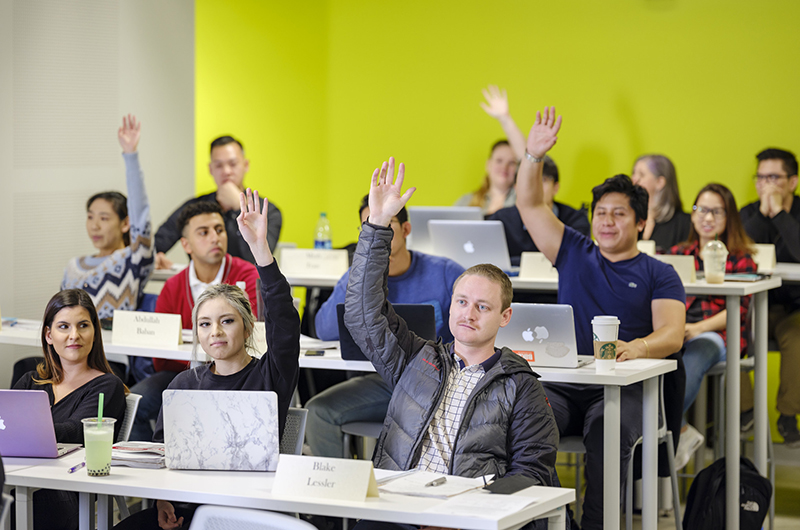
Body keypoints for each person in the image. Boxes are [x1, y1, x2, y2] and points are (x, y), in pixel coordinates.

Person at [347, 158, 561, 530]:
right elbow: (363, 314)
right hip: (397, 508)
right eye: (462, 302)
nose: (469, 313)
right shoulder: (416, 358)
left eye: (483, 306)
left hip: (469, 517)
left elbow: (533, 472)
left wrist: (466, 514)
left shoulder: (520, 385)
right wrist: (377, 226)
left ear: (504, 317)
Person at [515, 107, 685, 530]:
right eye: (601, 212)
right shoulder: (573, 250)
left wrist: (639, 346)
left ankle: (597, 526)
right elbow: (529, 202)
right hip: (565, 382)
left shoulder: (658, 272)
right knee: (525, 424)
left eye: (619, 213)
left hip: (625, 387)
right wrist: (532, 156)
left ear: (642, 223)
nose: (606, 221)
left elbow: (674, 332)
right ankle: (557, 520)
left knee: (606, 434)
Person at [114, 188, 300, 530]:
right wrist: (162, 498)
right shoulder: (184, 384)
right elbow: (163, 452)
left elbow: (285, 324)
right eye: (205, 324)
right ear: (196, 333)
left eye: (227, 321)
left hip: (250, 506)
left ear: (247, 328)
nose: (215, 331)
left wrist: (261, 250)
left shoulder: (271, 375)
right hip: (188, 505)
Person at [305, 194, 464, 458]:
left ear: (407, 229)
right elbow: (324, 329)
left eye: (386, 223)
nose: (379, 232)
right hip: (378, 381)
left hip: (433, 382)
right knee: (319, 412)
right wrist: (360, 275)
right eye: (369, 225)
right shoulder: (357, 276)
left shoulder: (446, 273)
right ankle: (344, 492)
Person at [127, 201, 260, 442]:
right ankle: (154, 469)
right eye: (204, 232)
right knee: (133, 404)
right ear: (185, 244)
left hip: (234, 375)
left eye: (219, 230)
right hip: (181, 376)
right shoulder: (172, 286)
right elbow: (161, 356)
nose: (215, 237)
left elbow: (252, 330)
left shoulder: (246, 274)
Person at [13, 289, 126, 530]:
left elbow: (76, 432)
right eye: (63, 326)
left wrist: (21, 432)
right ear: (49, 335)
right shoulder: (30, 381)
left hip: (65, 490)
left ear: (94, 332)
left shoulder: (108, 385)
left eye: (83, 325)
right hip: (18, 479)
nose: (74, 335)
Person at [667, 183, 757, 468]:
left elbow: (738, 311)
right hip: (680, 329)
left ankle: (662, 426)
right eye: (701, 210)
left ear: (728, 216)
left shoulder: (741, 258)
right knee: (657, 359)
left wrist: (698, 328)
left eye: (716, 211)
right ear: (692, 216)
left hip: (719, 334)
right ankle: (678, 429)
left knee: (694, 355)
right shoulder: (678, 254)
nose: (707, 217)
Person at [480, 86, 590, 263]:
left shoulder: (574, 220)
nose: (536, 185)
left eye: (544, 180)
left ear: (556, 187)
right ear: (518, 188)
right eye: (498, 161)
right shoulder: (502, 218)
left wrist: (506, 120)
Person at [61, 114, 154, 319]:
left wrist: (131, 155)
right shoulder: (73, 267)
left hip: (113, 350)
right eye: (90, 217)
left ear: (125, 223)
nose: (94, 226)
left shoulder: (134, 258)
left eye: (104, 218)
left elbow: (141, 214)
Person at [740, 147, 800, 447]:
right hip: (755, 305)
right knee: (728, 334)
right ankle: (745, 409)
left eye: (774, 177)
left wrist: (780, 214)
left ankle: (787, 414)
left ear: (793, 182)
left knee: (797, 338)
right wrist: (764, 216)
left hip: (795, 308)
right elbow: (739, 252)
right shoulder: (749, 214)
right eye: (760, 178)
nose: (766, 185)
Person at [153, 136, 282, 268]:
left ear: (246, 165)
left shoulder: (268, 212)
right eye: (219, 165)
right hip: (203, 286)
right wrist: (156, 257)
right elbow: (156, 244)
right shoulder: (194, 208)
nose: (226, 171)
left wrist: (240, 207)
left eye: (233, 164)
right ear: (210, 169)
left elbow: (260, 261)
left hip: (247, 285)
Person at [631, 154, 691, 252]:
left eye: (641, 174)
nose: (634, 179)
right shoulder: (630, 218)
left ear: (660, 182)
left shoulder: (685, 223)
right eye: (633, 173)